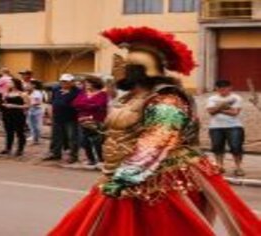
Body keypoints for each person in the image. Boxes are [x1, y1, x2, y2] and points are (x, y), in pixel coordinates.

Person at [48, 26, 261, 235]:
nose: (117, 68)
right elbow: (134, 129)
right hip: (124, 172)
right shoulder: (131, 98)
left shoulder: (167, 98)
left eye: (125, 64)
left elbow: (158, 138)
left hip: (158, 178)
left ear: (138, 71)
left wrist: (125, 178)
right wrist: (101, 131)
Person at [207, 80, 245, 176]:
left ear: (230, 87)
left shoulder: (237, 98)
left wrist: (218, 108)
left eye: (225, 88)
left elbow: (234, 113)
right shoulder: (211, 98)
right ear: (216, 88)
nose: (223, 90)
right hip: (215, 126)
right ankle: (220, 166)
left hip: (234, 125)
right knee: (217, 147)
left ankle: (238, 167)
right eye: (220, 88)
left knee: (236, 147)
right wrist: (224, 107)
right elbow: (210, 111)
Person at [72, 76, 108, 166]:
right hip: (82, 119)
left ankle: (100, 159)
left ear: (95, 84)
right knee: (85, 141)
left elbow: (99, 105)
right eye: (86, 83)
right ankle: (90, 159)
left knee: (97, 141)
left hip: (96, 120)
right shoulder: (83, 93)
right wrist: (90, 105)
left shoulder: (102, 94)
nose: (86, 85)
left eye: (89, 83)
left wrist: (84, 105)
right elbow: (75, 103)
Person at [44, 74, 80, 163]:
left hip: (71, 117)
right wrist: (49, 114)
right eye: (62, 81)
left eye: (66, 81)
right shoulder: (56, 89)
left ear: (72, 82)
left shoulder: (77, 91)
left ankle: (73, 155)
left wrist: (69, 93)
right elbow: (51, 102)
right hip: (57, 116)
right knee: (56, 136)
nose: (64, 83)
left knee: (72, 137)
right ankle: (55, 153)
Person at [0, 79, 28, 157]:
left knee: (20, 132)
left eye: (10, 82)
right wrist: (4, 104)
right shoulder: (7, 94)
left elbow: (27, 105)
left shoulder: (22, 94)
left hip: (18, 115)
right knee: (9, 132)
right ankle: (8, 148)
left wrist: (14, 106)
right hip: (7, 114)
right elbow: (3, 103)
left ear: (16, 84)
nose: (8, 84)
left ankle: (20, 149)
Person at [26, 80, 44, 145]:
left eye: (29, 85)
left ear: (34, 85)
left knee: (37, 125)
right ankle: (34, 138)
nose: (27, 86)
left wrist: (29, 104)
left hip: (37, 110)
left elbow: (37, 102)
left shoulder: (37, 93)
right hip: (30, 109)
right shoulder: (29, 92)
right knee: (31, 125)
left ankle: (36, 139)